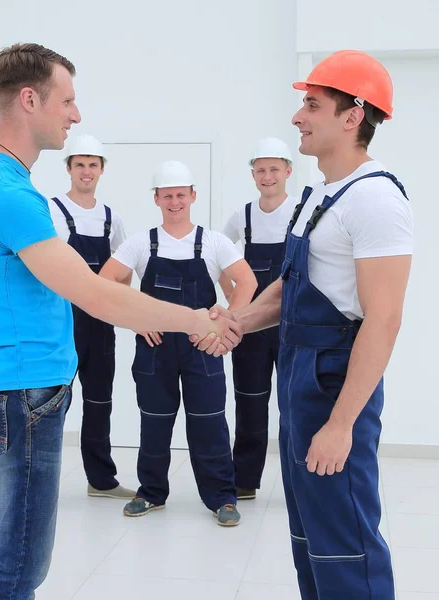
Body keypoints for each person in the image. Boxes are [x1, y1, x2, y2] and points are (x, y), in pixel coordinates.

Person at [0, 44, 241, 600]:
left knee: (14, 552)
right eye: (68, 100)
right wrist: (197, 320)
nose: (76, 115)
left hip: (18, 384)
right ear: (30, 99)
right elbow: (97, 295)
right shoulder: (9, 193)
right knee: (18, 564)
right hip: (23, 389)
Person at [199, 50, 413, 598]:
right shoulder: (319, 195)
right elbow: (291, 286)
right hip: (298, 378)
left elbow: (383, 321)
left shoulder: (375, 199)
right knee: (310, 536)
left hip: (334, 384)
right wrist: (237, 322)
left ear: (352, 116)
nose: (297, 116)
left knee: (345, 541)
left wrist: (341, 425)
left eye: (312, 104)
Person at [99, 160, 257, 526]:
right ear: (156, 199)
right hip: (154, 351)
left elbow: (247, 283)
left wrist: (225, 323)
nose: (174, 201)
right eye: (167, 195)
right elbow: (105, 283)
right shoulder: (141, 243)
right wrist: (136, 320)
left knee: (210, 422)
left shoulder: (213, 242)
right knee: (154, 422)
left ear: (193, 196)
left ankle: (222, 497)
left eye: (181, 195)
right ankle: (151, 492)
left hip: (203, 348)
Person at [49, 134, 135, 499]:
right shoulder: (51, 209)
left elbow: (124, 270)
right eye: (79, 164)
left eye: (93, 164)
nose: (86, 171)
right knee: (52, 404)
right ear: (68, 168)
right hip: (61, 322)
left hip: (100, 323)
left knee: (100, 401)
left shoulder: (111, 219)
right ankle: (42, 482)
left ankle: (101, 480)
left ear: (102, 170)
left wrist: (116, 304)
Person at [220, 136, 296, 500]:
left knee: (295, 404)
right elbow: (216, 256)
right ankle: (245, 480)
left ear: (288, 171)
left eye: (274, 170)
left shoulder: (300, 211)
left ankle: (301, 481)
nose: (267, 177)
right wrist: (236, 302)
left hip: (291, 324)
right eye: (261, 170)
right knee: (250, 400)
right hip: (251, 328)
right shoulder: (243, 216)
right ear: (253, 174)